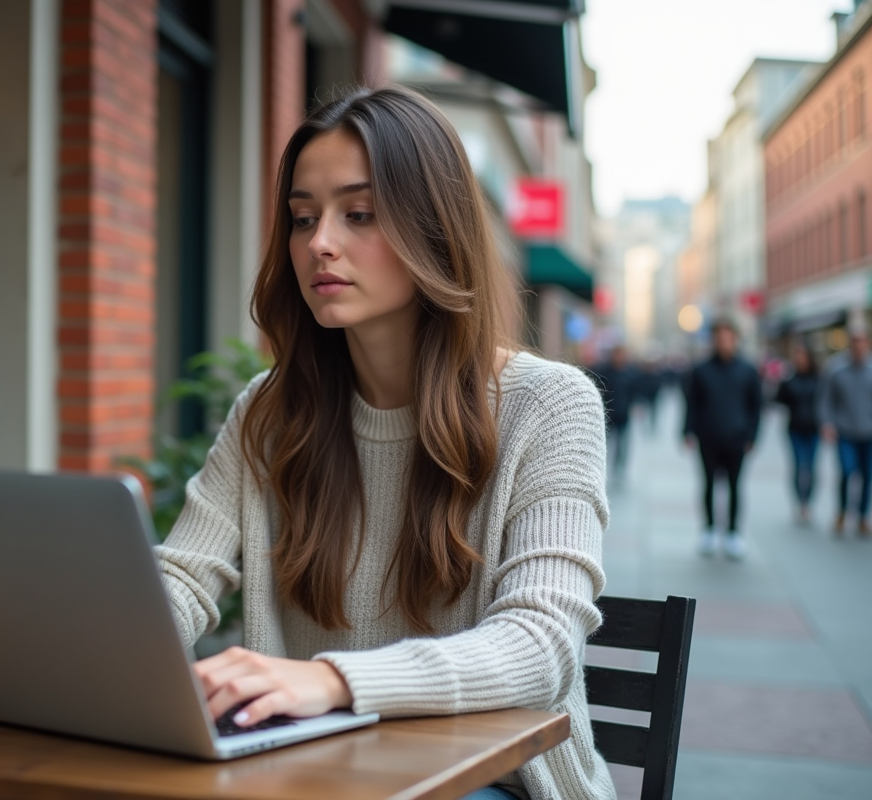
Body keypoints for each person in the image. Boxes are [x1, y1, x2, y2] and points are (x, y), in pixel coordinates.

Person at [154, 87, 612, 800]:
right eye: (303, 217)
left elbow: (540, 645)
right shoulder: (271, 414)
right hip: (316, 780)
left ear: (434, 227)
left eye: (358, 214)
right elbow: (182, 577)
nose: (319, 243)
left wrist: (330, 681)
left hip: (495, 786)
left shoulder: (548, 405)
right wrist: (93, 652)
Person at [683, 319, 762, 559]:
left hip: (737, 438)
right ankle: (708, 530)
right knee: (708, 485)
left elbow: (756, 407)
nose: (723, 342)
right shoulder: (701, 370)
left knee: (735, 487)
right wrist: (687, 431)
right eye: (719, 337)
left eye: (727, 337)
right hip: (708, 438)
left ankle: (733, 533)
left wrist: (752, 436)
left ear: (735, 339)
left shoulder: (748, 370)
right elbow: (692, 404)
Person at [818, 328, 872, 537]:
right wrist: (827, 423)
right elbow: (825, 400)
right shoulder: (836, 369)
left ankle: (861, 517)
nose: (858, 346)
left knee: (867, 476)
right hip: (845, 431)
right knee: (848, 471)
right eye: (855, 342)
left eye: (862, 342)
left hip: (868, 432)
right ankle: (841, 512)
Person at [774, 343, 821, 524]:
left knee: (810, 466)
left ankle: (807, 502)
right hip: (795, 429)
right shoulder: (789, 380)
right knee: (799, 464)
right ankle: (800, 502)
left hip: (813, 429)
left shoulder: (818, 379)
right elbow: (778, 400)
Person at [589, 345, 639, 479]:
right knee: (604, 443)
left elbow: (633, 393)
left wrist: (635, 407)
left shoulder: (630, 373)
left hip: (623, 415)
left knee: (622, 444)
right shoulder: (604, 372)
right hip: (607, 415)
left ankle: (619, 468)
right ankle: (600, 467)